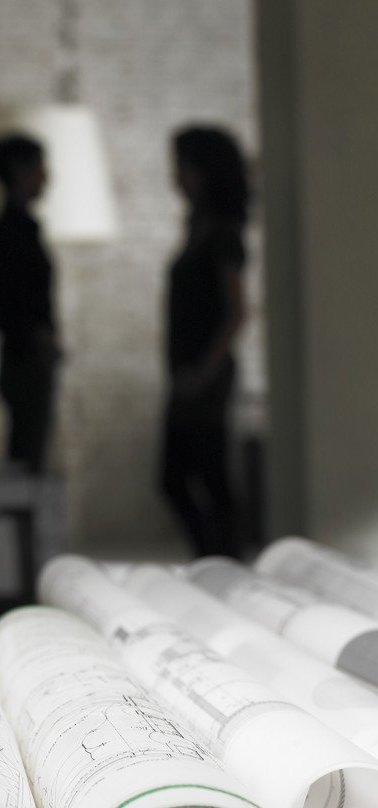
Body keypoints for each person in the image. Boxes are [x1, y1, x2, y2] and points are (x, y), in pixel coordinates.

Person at [160, 125, 250, 558]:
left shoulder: (222, 235)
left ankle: (225, 562)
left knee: (206, 477)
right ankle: (215, 559)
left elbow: (236, 312)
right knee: (179, 477)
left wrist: (204, 371)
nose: (177, 178)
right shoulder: (198, 228)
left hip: (206, 376)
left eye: (183, 167)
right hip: (187, 372)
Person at [0, 133, 61, 474]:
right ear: (19, 170)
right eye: (39, 168)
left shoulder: (20, 228)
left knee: (30, 453)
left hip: (27, 357)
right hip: (25, 360)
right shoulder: (8, 231)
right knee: (28, 458)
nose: (46, 178)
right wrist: (36, 334)